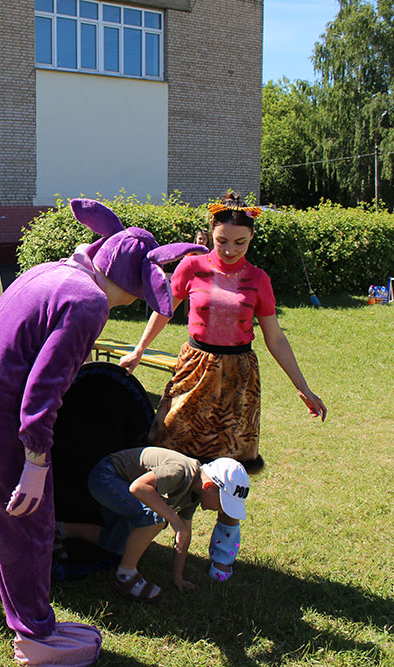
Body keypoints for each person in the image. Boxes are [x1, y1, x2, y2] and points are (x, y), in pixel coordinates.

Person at [0, 199, 205, 666]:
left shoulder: (48, 270)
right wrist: (36, 461)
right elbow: (44, 387)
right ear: (133, 285)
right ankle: (35, 634)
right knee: (27, 519)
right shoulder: (89, 300)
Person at [119, 190, 327, 580]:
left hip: (239, 380)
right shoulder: (191, 267)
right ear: (209, 234)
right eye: (222, 241)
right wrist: (139, 350)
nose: (230, 249)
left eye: (240, 242)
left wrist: (303, 387)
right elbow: (164, 312)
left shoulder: (257, 279)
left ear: (251, 239)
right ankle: (154, 537)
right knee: (173, 455)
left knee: (230, 473)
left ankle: (222, 560)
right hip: (195, 370)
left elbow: (275, 337)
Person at [60, 448, 249, 601]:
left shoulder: (194, 495)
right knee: (156, 518)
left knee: (116, 544)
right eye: (223, 504)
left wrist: (177, 577)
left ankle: (58, 530)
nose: (222, 511)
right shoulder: (180, 471)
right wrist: (174, 521)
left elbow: (184, 536)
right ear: (208, 487)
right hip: (106, 476)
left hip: (119, 488)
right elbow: (138, 487)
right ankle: (125, 577)